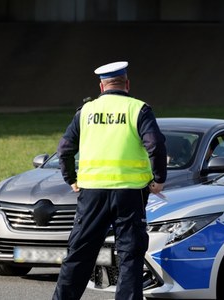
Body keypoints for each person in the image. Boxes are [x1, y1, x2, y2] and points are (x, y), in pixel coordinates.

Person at [52, 61, 167, 300]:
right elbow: (155, 144)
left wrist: (71, 179)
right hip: (130, 193)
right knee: (129, 255)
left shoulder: (85, 112)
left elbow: (64, 149)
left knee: (79, 253)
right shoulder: (138, 109)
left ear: (101, 86)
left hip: (91, 194)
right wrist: (158, 179)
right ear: (127, 84)